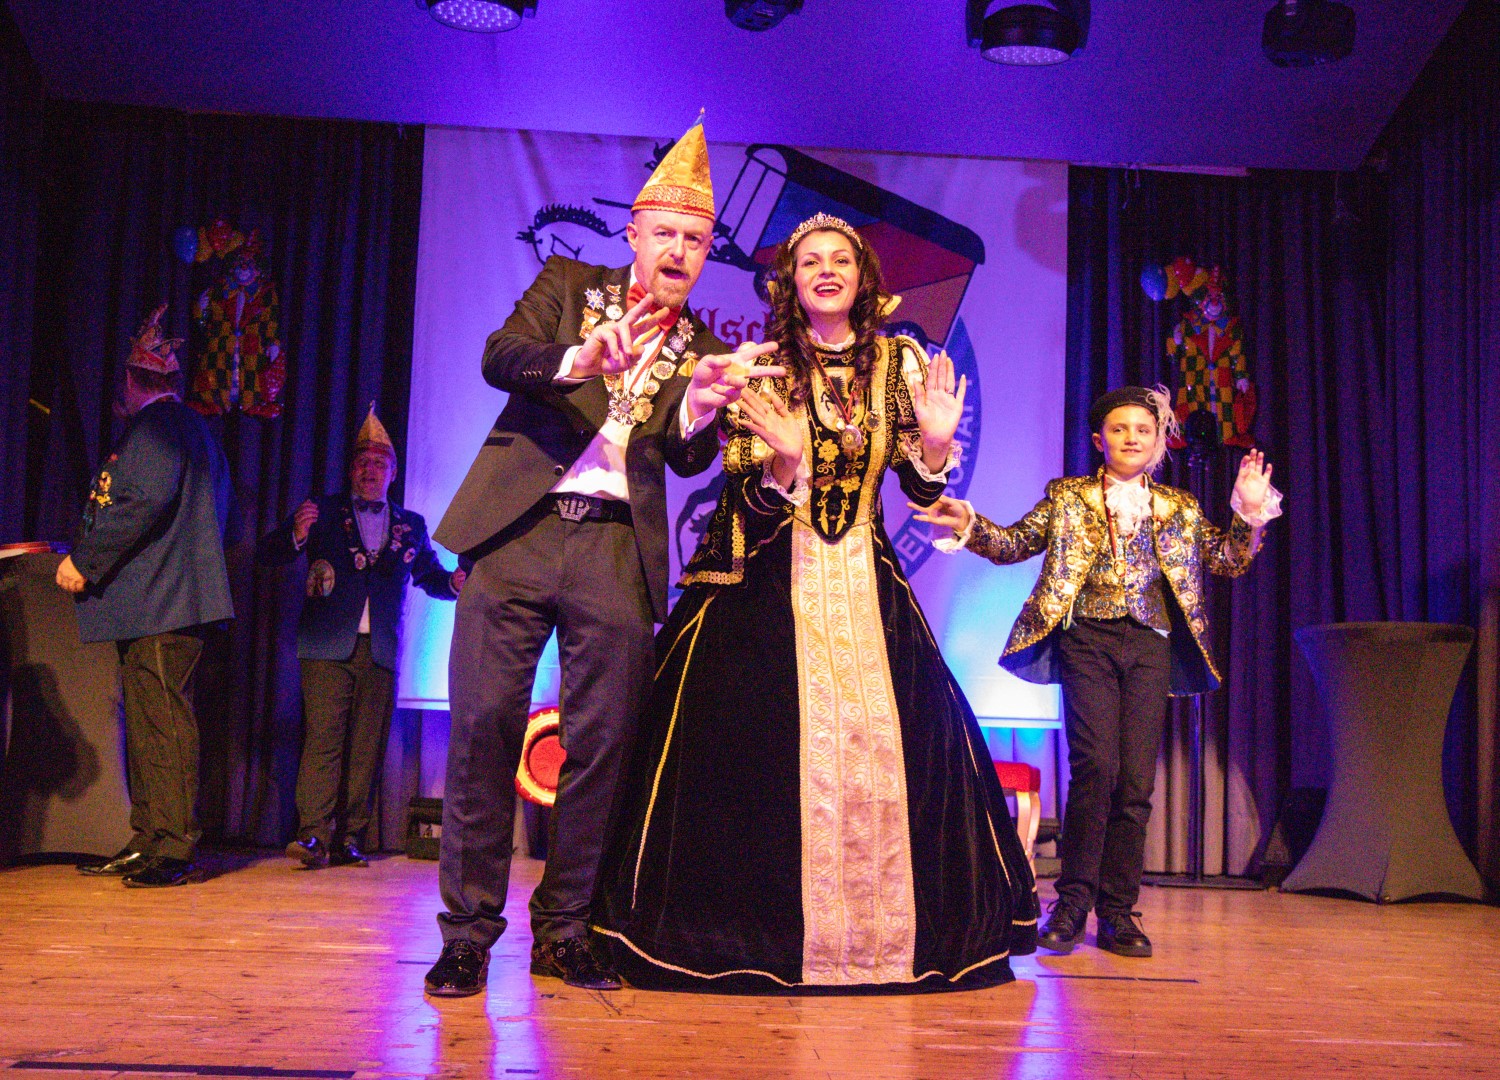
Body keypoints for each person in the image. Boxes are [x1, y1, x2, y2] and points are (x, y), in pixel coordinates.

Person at [592, 212, 1040, 992]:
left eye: (840, 260)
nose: (826, 270)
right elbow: (741, 490)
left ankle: (884, 939)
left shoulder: (900, 363)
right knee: (745, 757)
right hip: (763, 579)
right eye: (809, 262)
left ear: (864, 279)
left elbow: (919, 488)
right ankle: (754, 937)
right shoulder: (763, 365)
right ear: (789, 282)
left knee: (921, 743)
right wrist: (783, 466)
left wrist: (935, 445)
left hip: (867, 575)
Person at [424, 118, 782, 996]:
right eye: (666, 233)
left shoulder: (706, 348)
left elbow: (687, 458)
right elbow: (500, 356)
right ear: (634, 234)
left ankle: (564, 928)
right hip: (519, 530)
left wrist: (699, 408)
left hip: (617, 547)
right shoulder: (567, 284)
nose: (680, 251)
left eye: (695, 239)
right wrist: (578, 357)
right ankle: (467, 934)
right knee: (482, 728)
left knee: (603, 744)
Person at [913, 385, 1280, 958]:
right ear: (1098, 440)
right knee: (1095, 768)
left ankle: (1118, 911)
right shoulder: (1068, 497)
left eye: (1143, 430)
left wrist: (1247, 514)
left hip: (1150, 643)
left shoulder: (1179, 508)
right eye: (1119, 429)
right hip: (1086, 638)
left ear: (1158, 442)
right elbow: (1013, 542)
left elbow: (1227, 560)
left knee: (1134, 783)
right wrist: (970, 523)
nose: (1131, 438)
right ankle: (1072, 903)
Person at [56, 305, 233, 888]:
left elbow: (143, 499)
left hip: (163, 601)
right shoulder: (190, 430)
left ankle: (174, 845)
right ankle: (150, 836)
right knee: (150, 720)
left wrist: (86, 559)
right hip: (158, 600)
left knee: (163, 720)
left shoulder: (160, 426)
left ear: (133, 382)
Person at [257, 405, 464, 869]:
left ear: (393, 473)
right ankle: (313, 835)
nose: (371, 471)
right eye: (363, 463)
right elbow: (269, 554)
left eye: (379, 464)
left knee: (366, 746)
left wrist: (452, 583)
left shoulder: (411, 524)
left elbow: (429, 576)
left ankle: (350, 837)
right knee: (323, 741)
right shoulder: (323, 511)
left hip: (381, 649)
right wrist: (295, 534)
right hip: (326, 645)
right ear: (351, 470)